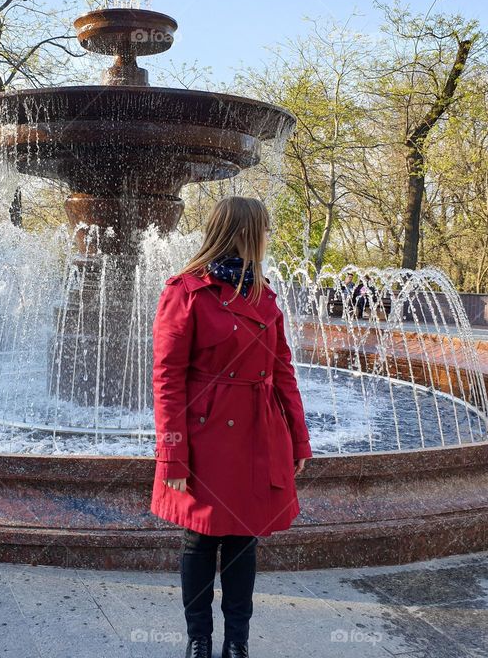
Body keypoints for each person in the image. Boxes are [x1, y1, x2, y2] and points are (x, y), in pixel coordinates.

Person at [151, 196, 312, 658]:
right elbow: (167, 380)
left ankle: (237, 642)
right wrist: (173, 454)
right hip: (205, 436)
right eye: (262, 229)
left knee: (244, 539)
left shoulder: (264, 294)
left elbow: (283, 370)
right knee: (200, 538)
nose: (267, 238)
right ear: (243, 232)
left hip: (259, 435)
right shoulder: (185, 292)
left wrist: (299, 438)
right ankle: (199, 640)